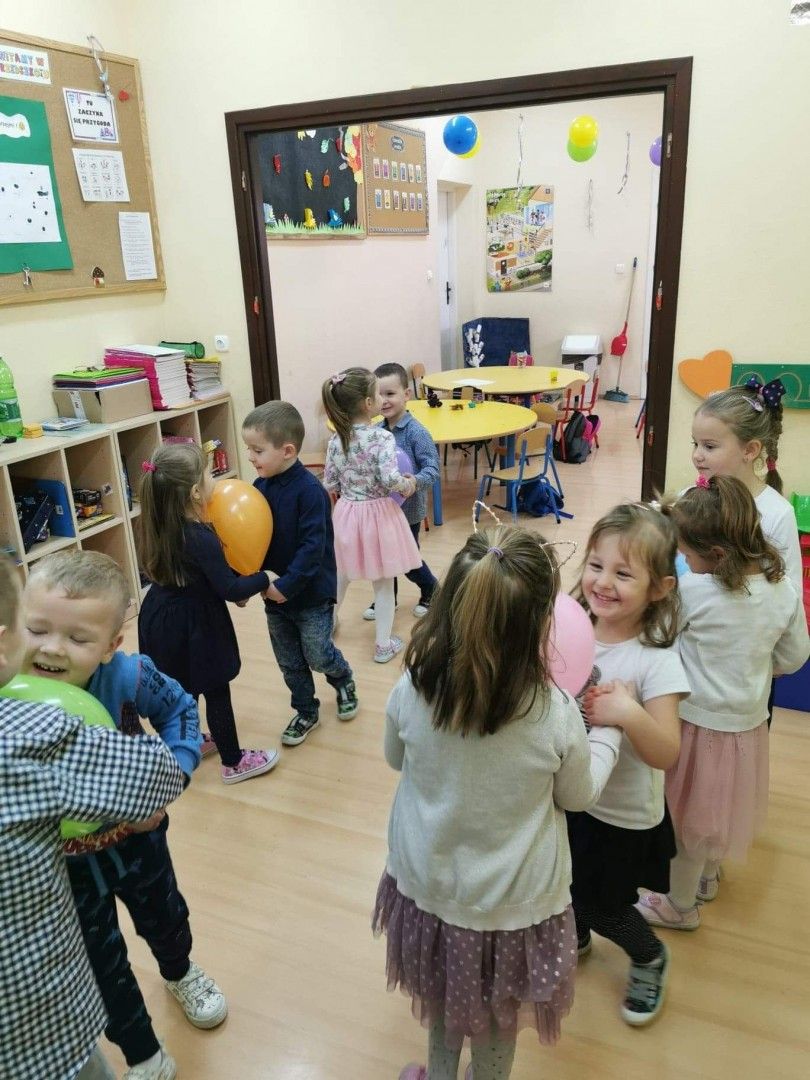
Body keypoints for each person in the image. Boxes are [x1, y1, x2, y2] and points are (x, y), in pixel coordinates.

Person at [373, 526, 624, 1080]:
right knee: (495, 1025)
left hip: (430, 888)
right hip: (511, 907)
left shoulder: (413, 686)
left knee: (442, 1004)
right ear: (539, 622)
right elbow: (577, 795)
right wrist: (608, 738)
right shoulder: (553, 711)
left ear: (448, 608)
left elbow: (395, 759)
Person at [23, 551, 225, 1080]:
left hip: (139, 839)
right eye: (36, 629)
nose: (51, 648)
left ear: (112, 644)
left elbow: (180, 709)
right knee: (99, 956)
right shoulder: (11, 692)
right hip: (61, 861)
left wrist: (174, 776)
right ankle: (142, 1052)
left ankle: (179, 971)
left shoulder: (130, 676)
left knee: (165, 915)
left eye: (78, 638)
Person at [636, 477, 809, 927]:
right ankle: (707, 878)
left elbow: (659, 639)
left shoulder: (692, 591)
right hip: (748, 727)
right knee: (719, 809)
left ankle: (679, 906)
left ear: (715, 554)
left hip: (694, 724)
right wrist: (758, 667)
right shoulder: (783, 591)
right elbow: (795, 656)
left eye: (687, 556)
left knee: (686, 820)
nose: (686, 563)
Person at [567, 502, 690, 1026]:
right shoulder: (571, 628)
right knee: (565, 881)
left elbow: (667, 751)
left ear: (660, 588)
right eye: (597, 565)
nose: (603, 582)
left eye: (623, 573)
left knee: (605, 904)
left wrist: (629, 713)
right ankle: (574, 934)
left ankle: (648, 955)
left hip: (619, 816)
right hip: (572, 795)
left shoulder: (655, 660)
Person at [138, 441, 278, 783]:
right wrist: (264, 578)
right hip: (197, 623)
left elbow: (205, 575)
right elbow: (229, 590)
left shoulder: (160, 526)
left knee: (183, 689)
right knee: (216, 689)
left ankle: (187, 743)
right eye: (208, 474)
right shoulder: (201, 536)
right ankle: (234, 762)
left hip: (160, 618)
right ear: (196, 492)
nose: (214, 479)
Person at [243, 400, 358, 747]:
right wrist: (245, 582)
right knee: (290, 662)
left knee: (318, 654)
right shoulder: (258, 489)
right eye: (249, 449)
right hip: (274, 596)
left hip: (311, 595)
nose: (250, 457)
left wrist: (286, 586)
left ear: (288, 451)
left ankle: (342, 677)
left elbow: (312, 549)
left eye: (257, 450)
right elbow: (250, 539)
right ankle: (306, 711)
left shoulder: (311, 493)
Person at [321, 367, 420, 663]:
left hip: (347, 513)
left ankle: (325, 628)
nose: (381, 398)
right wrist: (408, 485)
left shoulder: (336, 440)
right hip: (378, 515)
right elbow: (390, 480)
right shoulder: (382, 438)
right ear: (367, 403)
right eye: (378, 393)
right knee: (384, 581)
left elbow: (330, 482)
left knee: (341, 574)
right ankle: (383, 644)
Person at [691, 377, 801, 593]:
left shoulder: (778, 513)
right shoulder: (691, 498)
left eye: (709, 446)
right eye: (695, 443)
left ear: (750, 450)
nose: (696, 455)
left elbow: (791, 594)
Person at [361, 362, 439, 622]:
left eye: (390, 393)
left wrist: (415, 481)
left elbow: (432, 469)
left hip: (409, 511)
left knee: (407, 560)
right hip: (381, 509)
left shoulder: (417, 433)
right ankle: (387, 599)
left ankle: (432, 589)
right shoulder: (375, 432)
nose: (384, 400)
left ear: (406, 395)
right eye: (379, 395)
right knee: (383, 558)